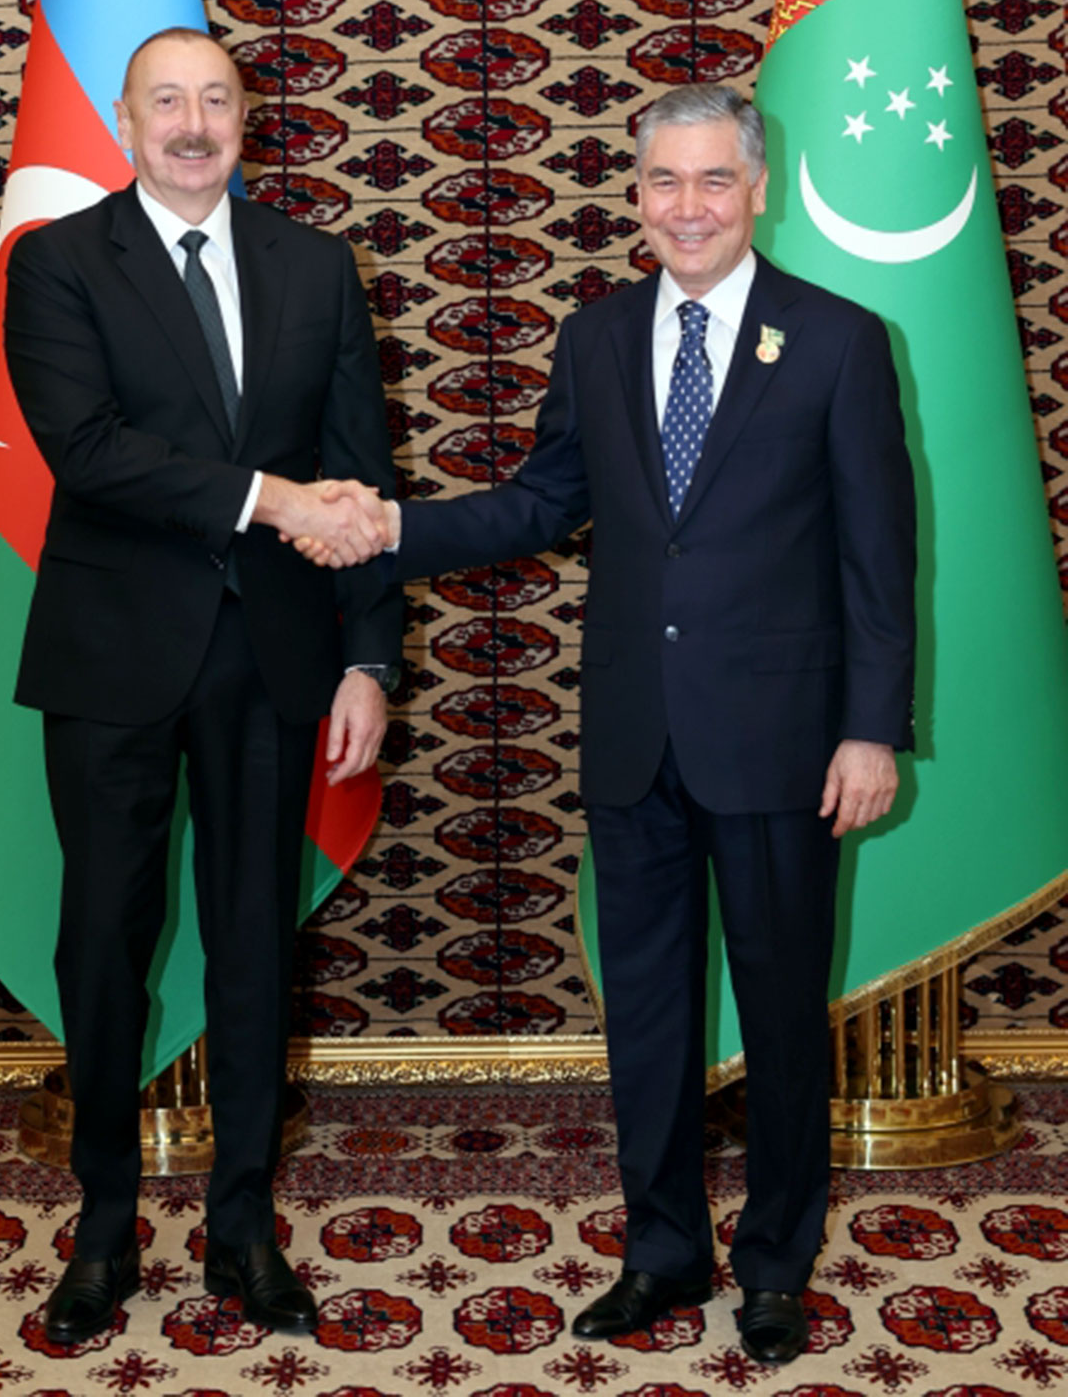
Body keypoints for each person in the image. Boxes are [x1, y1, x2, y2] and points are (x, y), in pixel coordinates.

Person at [291, 84, 916, 1365]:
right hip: (636, 734)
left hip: (785, 744)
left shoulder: (842, 341)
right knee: (646, 1009)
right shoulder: (595, 336)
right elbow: (537, 504)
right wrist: (392, 527)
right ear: (636, 199)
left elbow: (878, 559)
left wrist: (872, 729)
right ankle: (663, 1250)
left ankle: (779, 1262)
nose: (686, 208)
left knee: (787, 1011)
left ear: (759, 189)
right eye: (662, 185)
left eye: (712, 183)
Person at [4, 27, 401, 1345]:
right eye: (166, 101)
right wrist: (267, 497)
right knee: (102, 945)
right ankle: (104, 1228)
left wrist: (367, 656)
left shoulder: (319, 266)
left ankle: (244, 1228)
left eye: (215, 100)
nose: (192, 123)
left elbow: (360, 472)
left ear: (245, 119)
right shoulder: (58, 261)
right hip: (115, 653)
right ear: (123, 121)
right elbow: (89, 449)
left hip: (274, 656)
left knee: (252, 949)